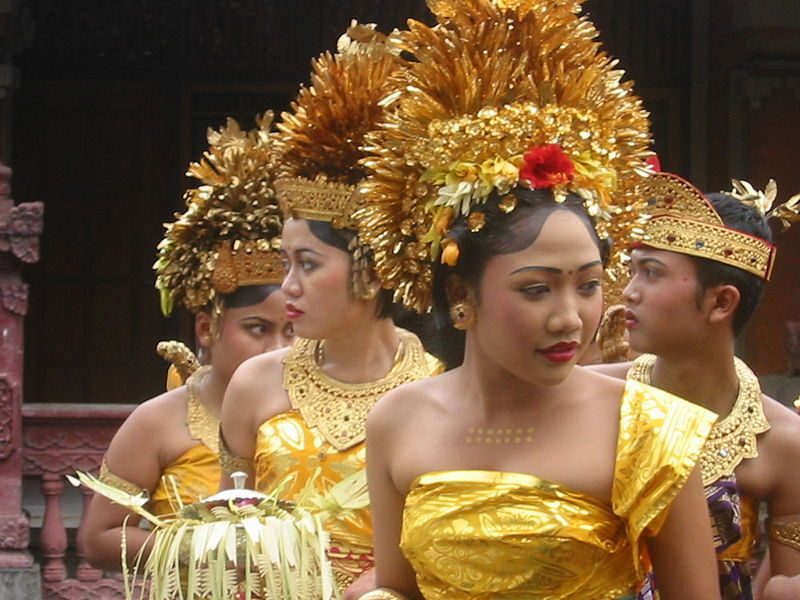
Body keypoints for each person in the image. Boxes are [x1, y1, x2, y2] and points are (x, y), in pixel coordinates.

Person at [353, 1, 719, 598]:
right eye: (536, 289)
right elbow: (396, 588)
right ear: (460, 294)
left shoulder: (649, 428)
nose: (570, 317)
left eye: (590, 284)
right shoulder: (399, 420)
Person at [219, 24, 441, 596]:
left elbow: (433, 552)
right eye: (285, 261)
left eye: (308, 264)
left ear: (369, 268)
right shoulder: (254, 384)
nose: (287, 285)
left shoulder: (439, 391)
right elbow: (229, 535)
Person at [82, 113, 292, 570]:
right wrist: (211, 548)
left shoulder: (316, 416)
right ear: (206, 328)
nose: (278, 347)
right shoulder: (158, 422)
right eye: (257, 328)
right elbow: (98, 539)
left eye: (291, 330)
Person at [593, 172, 800, 598]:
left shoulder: (785, 443)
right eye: (632, 272)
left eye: (651, 273)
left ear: (721, 302)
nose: (629, 292)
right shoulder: (588, 397)